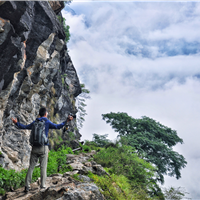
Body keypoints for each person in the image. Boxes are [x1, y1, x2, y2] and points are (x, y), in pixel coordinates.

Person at [11, 107, 73, 192]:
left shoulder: (35, 122)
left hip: (34, 147)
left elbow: (24, 127)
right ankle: (43, 186)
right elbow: (58, 126)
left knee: (31, 167)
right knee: (43, 167)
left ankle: (27, 186)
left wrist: (16, 123)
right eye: (47, 113)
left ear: (39, 114)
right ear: (45, 114)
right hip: (43, 147)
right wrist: (67, 121)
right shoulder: (46, 122)